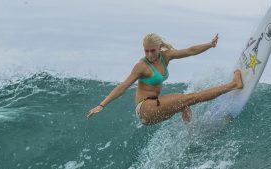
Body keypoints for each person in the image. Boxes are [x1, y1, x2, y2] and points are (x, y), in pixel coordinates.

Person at [87, 33, 243, 125]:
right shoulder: (141, 66)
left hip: (155, 105)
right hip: (145, 109)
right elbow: (123, 86)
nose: (149, 54)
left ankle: (194, 133)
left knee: (184, 104)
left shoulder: (166, 56)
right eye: (146, 51)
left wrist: (210, 45)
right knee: (189, 98)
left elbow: (190, 51)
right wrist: (102, 105)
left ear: (159, 47)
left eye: (152, 50)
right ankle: (234, 84)